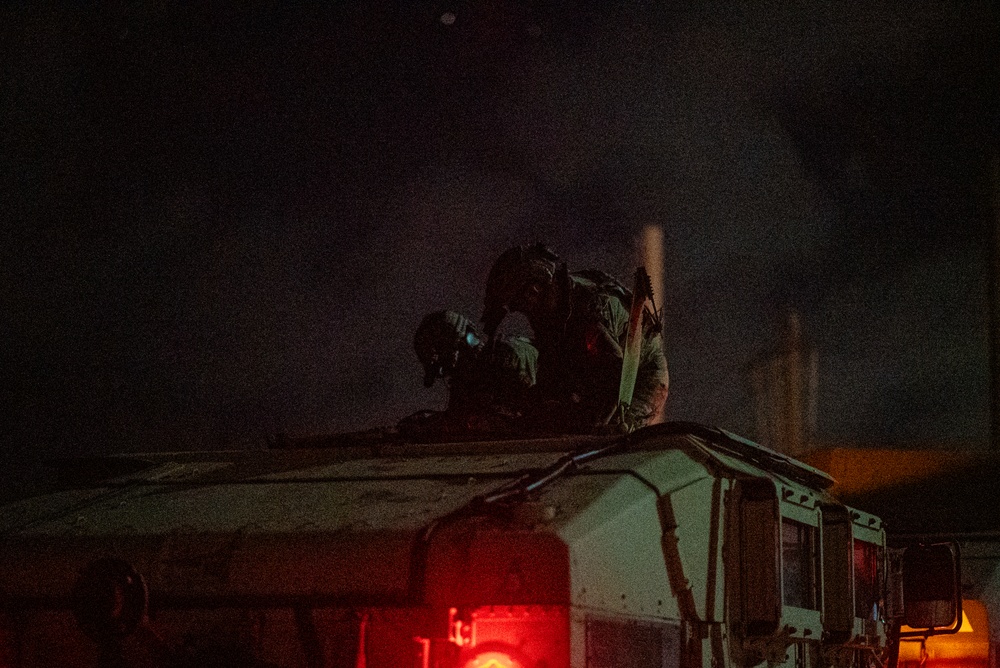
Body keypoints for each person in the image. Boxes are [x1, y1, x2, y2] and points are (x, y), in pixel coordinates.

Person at [482, 243, 668, 432]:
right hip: (598, 380)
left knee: (612, 434)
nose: (525, 314)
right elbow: (551, 376)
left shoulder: (587, 310)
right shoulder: (555, 316)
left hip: (638, 379)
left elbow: (614, 372)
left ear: (533, 291)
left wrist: (594, 426)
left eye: (519, 305)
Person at [411, 310, 538, 427]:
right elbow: (454, 419)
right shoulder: (465, 379)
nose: (451, 375)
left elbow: (533, 417)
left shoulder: (510, 355)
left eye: (446, 366)